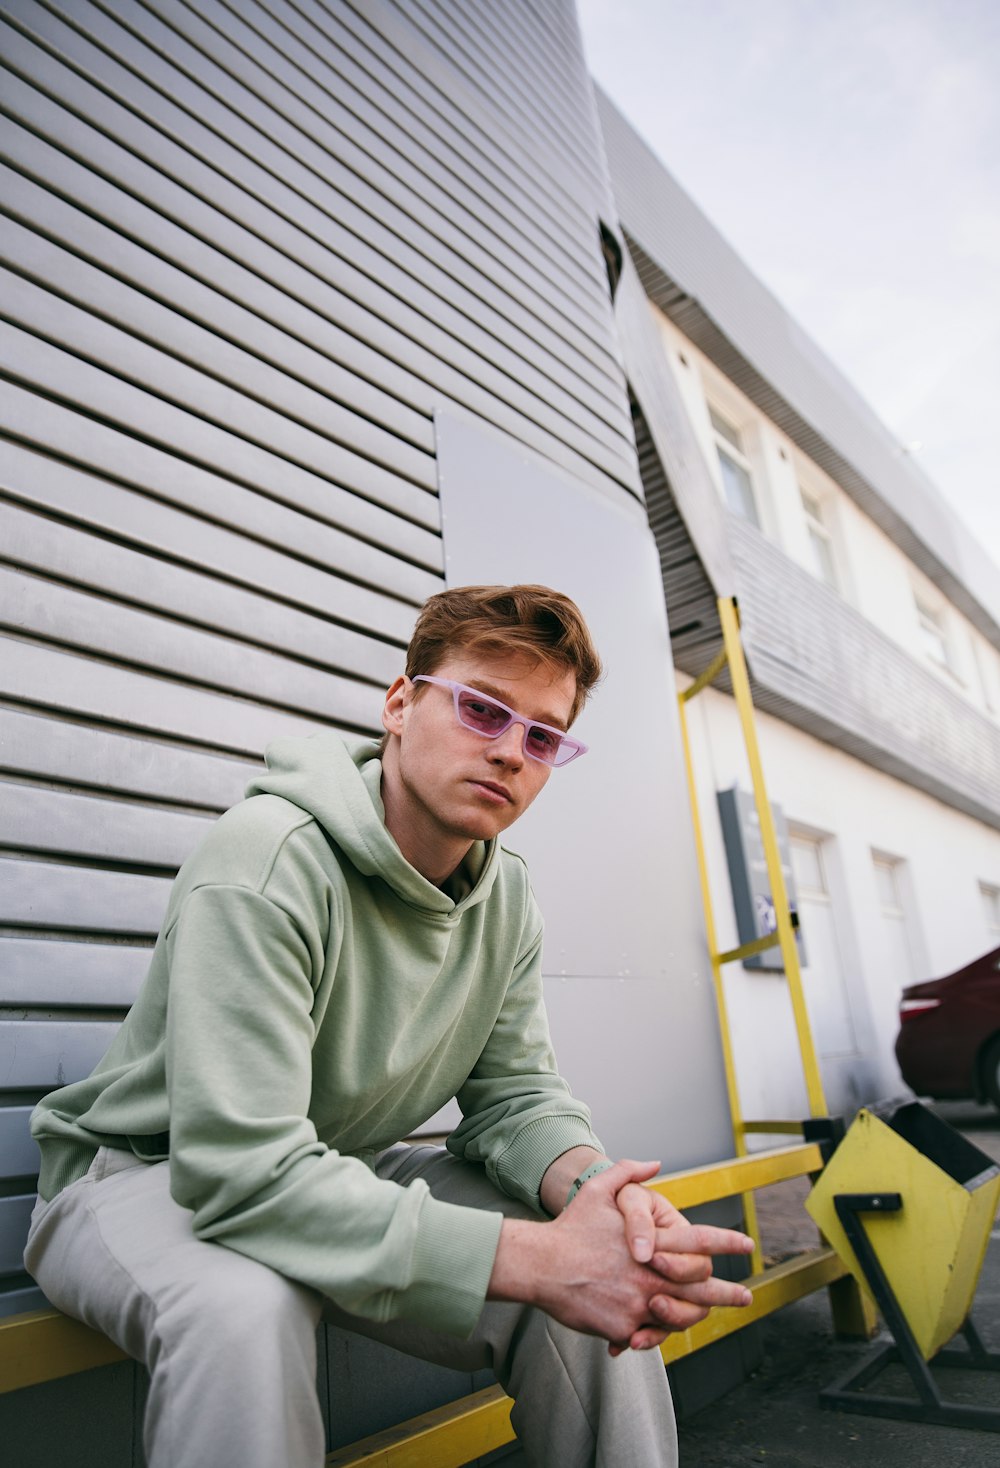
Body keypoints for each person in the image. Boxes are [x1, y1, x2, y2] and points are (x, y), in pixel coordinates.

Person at [26, 584, 754, 1468]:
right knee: (246, 1308)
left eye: (543, 735)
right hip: (151, 1176)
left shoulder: (505, 892)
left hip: (335, 1163)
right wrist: (535, 1259)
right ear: (401, 705)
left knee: (595, 1286)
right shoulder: (267, 857)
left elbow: (517, 1100)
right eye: (483, 709)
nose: (512, 753)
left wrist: (603, 1201)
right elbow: (240, 1172)